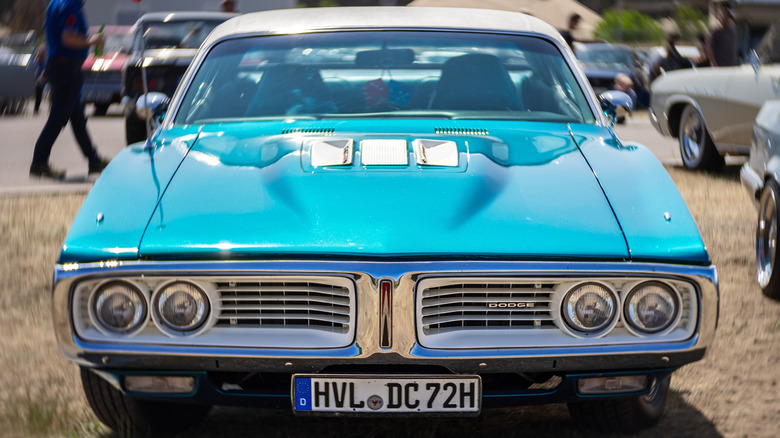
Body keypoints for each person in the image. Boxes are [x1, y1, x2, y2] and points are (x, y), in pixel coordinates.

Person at [29, 0, 108, 180]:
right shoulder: (70, 5)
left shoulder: (55, 3)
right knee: (58, 117)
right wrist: (92, 41)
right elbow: (68, 37)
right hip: (66, 68)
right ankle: (39, 161)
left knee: (77, 117)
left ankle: (93, 159)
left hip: (60, 65)